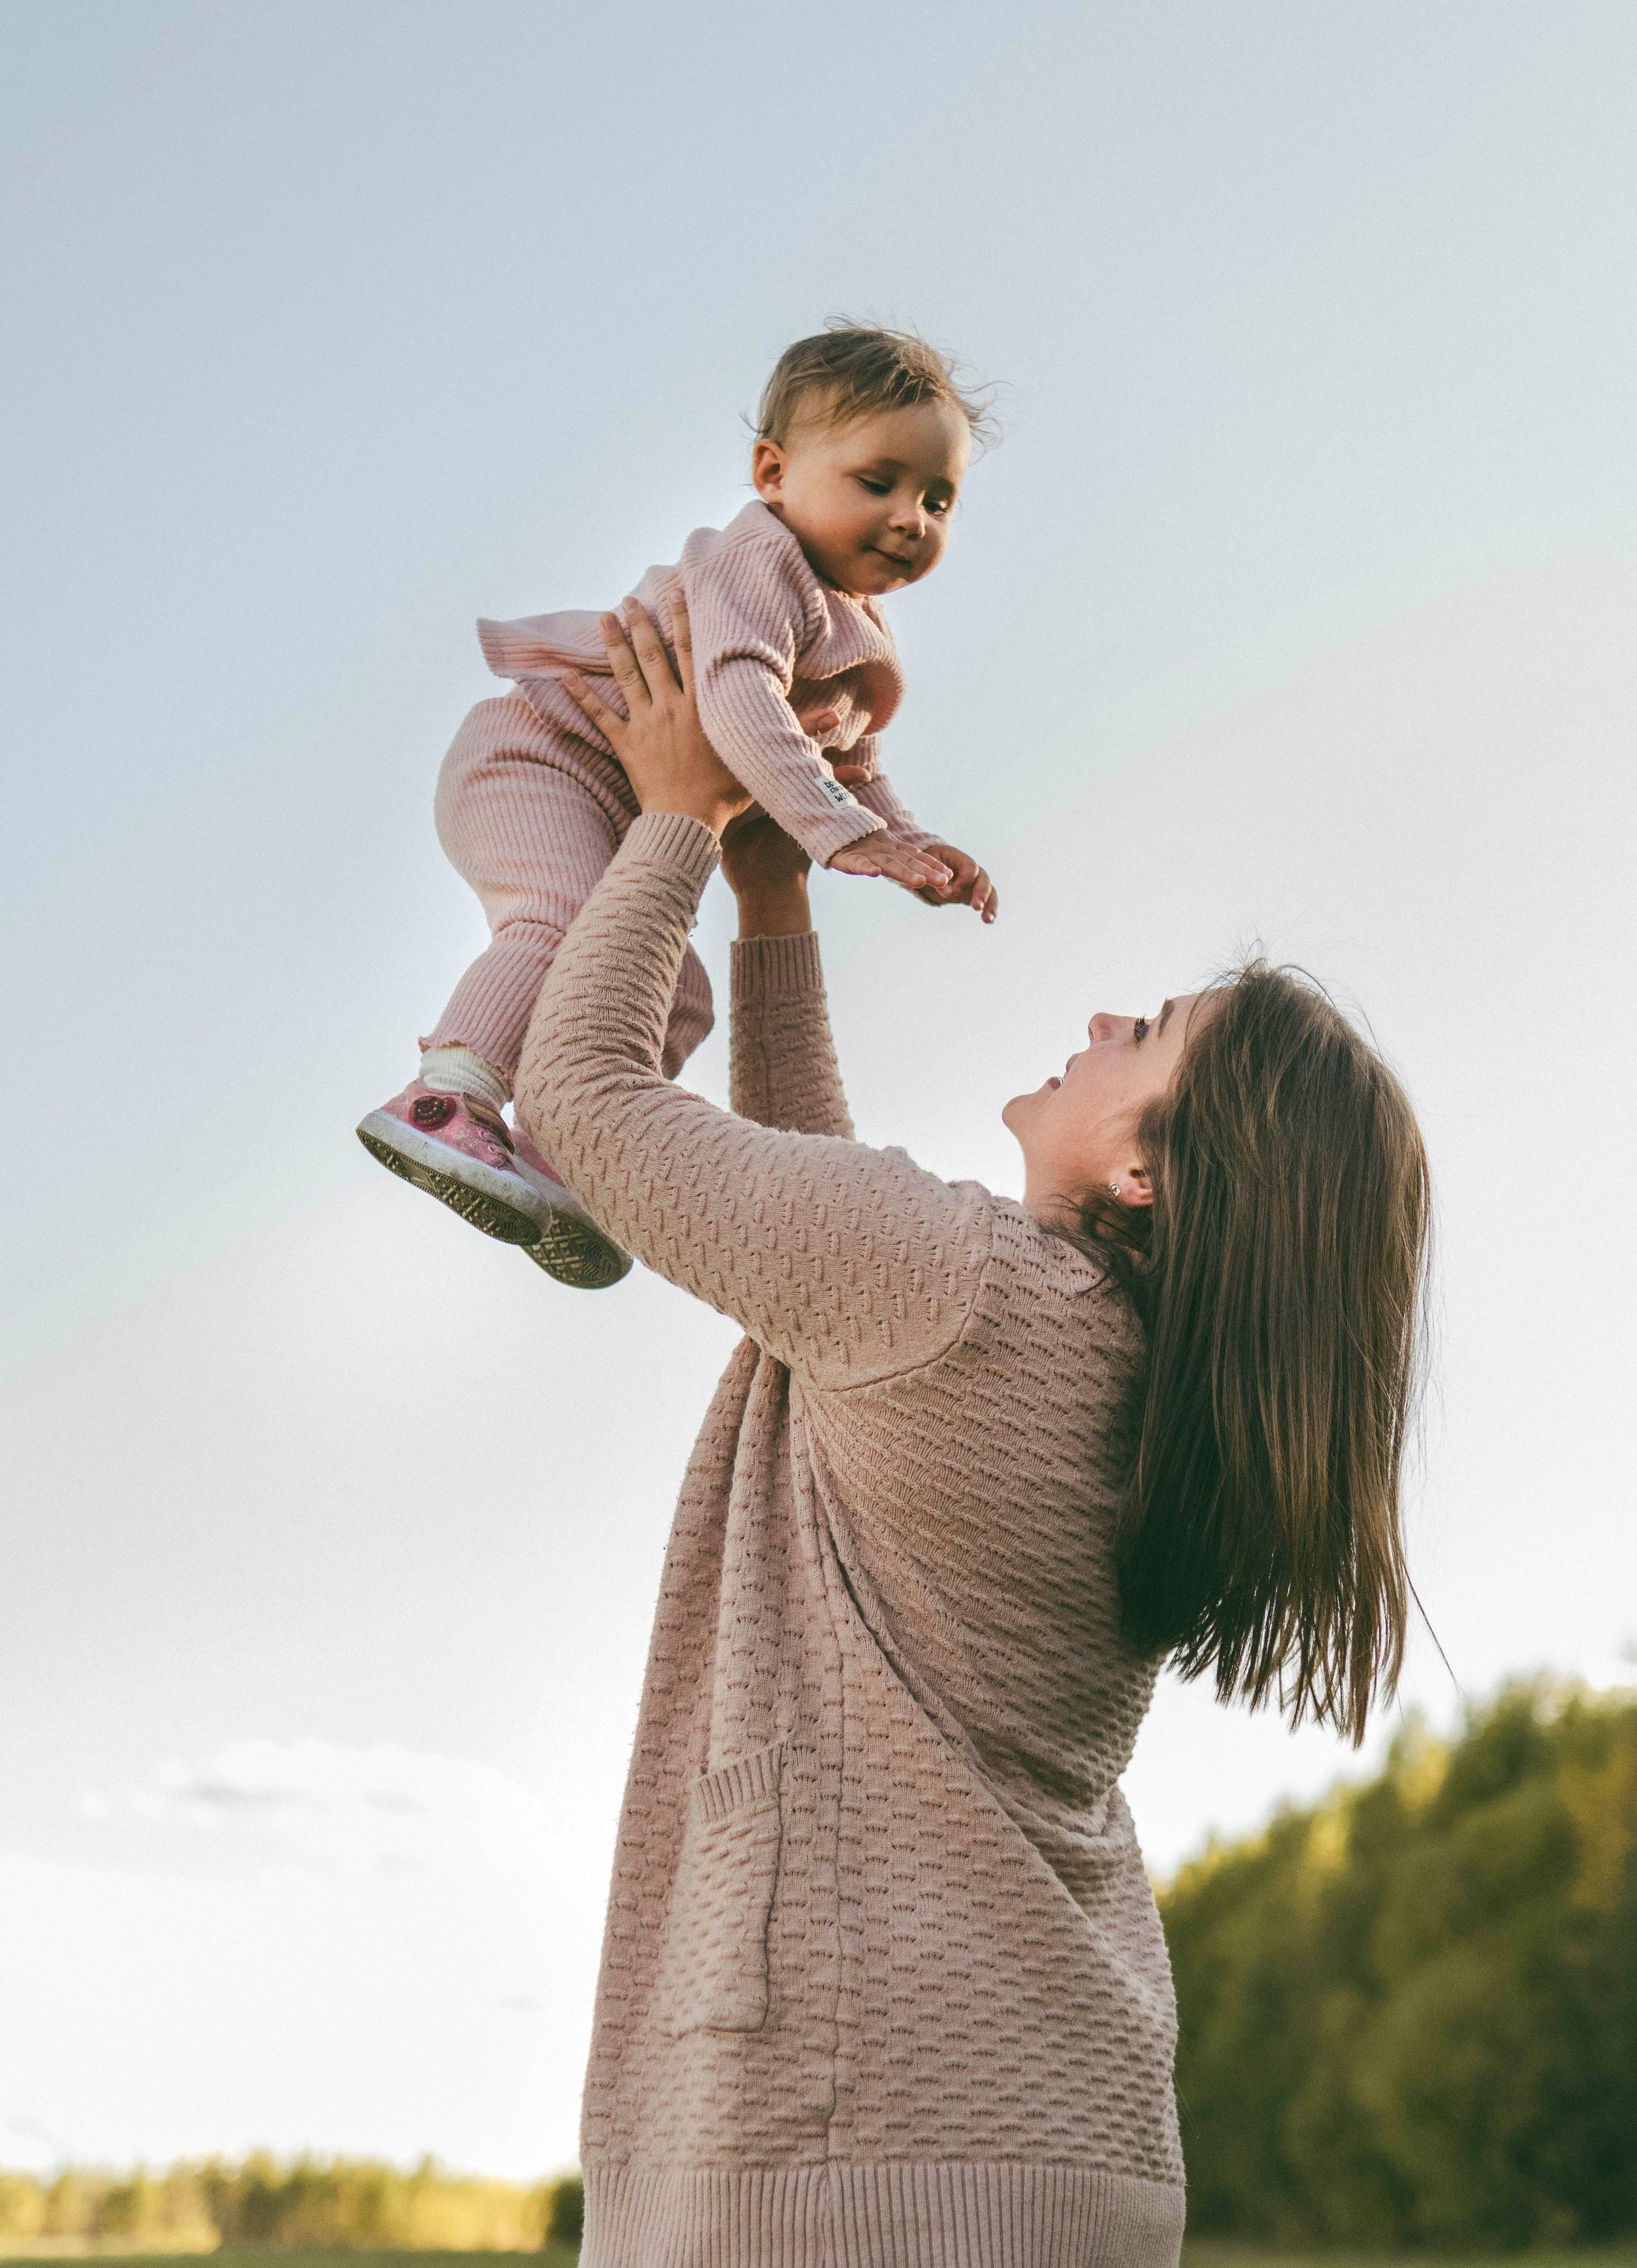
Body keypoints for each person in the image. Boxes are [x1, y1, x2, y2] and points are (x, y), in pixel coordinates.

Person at [515, 601, 1432, 2267]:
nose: (1098, 1023)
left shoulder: (953, 1281)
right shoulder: (1130, 1374)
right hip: (1057, 2142)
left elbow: (581, 1101)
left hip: (849, 2149)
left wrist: (668, 812)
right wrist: (773, 899)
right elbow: (810, 1241)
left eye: (1143, 1037)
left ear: (1149, 1174)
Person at [356, 324, 998, 1290]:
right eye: (879, 482)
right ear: (772, 473)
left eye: (937, 498)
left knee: (672, 992)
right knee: (566, 927)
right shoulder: (759, 558)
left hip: (623, 807)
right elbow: (738, 696)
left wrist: (910, 844)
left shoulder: (857, 633)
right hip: (538, 759)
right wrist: (845, 836)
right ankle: (447, 1099)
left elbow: (855, 764)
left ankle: (562, 1159)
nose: (913, 517)